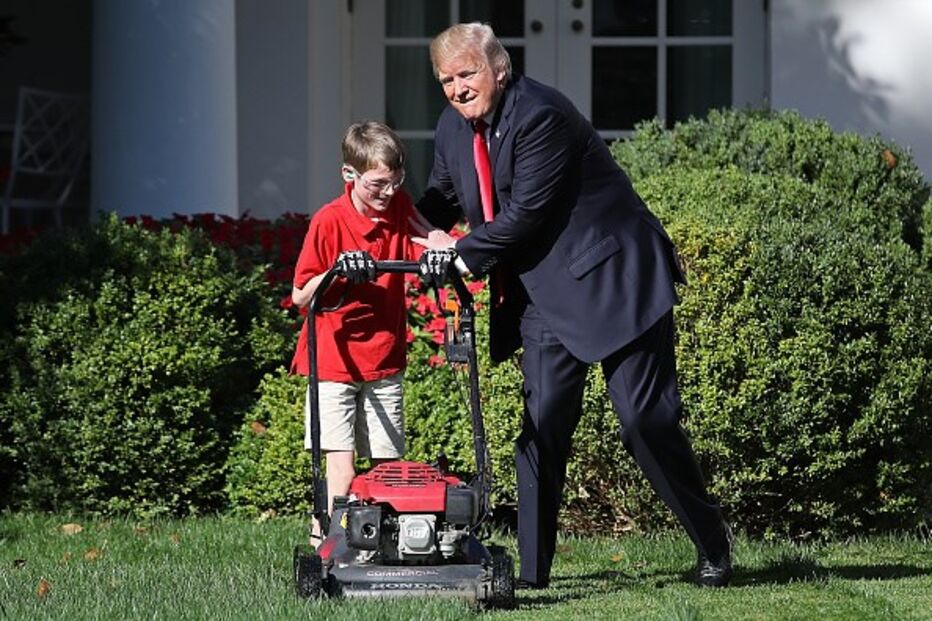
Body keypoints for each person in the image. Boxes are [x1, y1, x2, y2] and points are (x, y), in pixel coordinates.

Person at [411, 23, 733, 588]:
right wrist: (383, 227)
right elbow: (439, 200)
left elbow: (526, 214)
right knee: (542, 427)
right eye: (446, 80)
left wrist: (459, 255)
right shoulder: (451, 128)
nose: (458, 88)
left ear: (499, 70)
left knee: (643, 421)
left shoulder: (541, 115)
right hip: (543, 295)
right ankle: (532, 577)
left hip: (614, 279)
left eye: (468, 74)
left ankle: (713, 542)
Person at [290, 121, 422, 531]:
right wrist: (337, 271)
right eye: (378, 184)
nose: (388, 193)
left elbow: (427, 237)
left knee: (389, 467)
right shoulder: (329, 221)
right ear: (350, 174)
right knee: (342, 472)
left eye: (396, 182)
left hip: (384, 355)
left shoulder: (399, 208)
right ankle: (328, 548)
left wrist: (445, 253)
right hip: (334, 360)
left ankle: (390, 546)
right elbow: (300, 296)